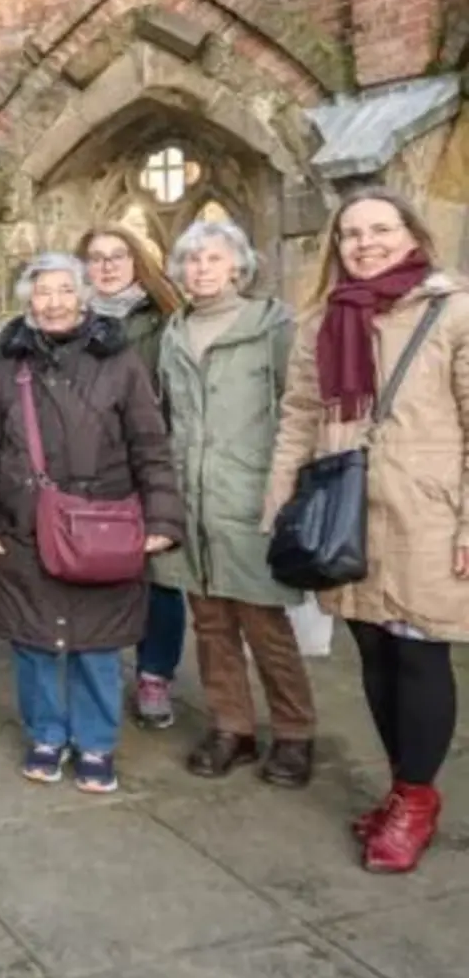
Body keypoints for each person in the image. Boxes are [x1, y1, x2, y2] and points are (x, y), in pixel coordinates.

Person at [266, 187, 469, 872]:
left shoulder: (453, 309)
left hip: (427, 514)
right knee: (375, 657)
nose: (365, 243)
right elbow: (298, 415)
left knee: (418, 657)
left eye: (380, 230)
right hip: (344, 511)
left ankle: (416, 801)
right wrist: (281, 504)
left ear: (412, 234)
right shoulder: (324, 318)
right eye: (350, 235)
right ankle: (400, 782)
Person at [0, 253, 184, 793]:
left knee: (97, 646)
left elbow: (150, 445)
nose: (54, 302)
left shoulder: (121, 362)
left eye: (64, 290)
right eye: (42, 292)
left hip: (103, 525)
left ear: (82, 296)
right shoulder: (1, 369)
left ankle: (96, 742)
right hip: (23, 527)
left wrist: (163, 516)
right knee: (34, 643)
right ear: (28, 301)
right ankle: (45, 735)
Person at [157, 218, 315, 787]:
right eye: (193, 261)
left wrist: (286, 487)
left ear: (238, 267)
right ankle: (233, 727)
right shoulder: (174, 332)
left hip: (250, 496)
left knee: (264, 622)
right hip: (191, 497)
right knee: (210, 622)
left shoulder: (272, 326)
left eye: (213, 259)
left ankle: (295, 733)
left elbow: (299, 408)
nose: (201, 270)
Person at [78, 222, 187, 730]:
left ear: (136, 261)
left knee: (160, 576)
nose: (106, 266)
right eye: (96, 257)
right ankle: (89, 667)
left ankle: (154, 673)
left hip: (147, 461)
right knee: (86, 567)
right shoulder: (66, 318)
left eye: (117, 256)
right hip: (86, 469)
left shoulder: (165, 319)